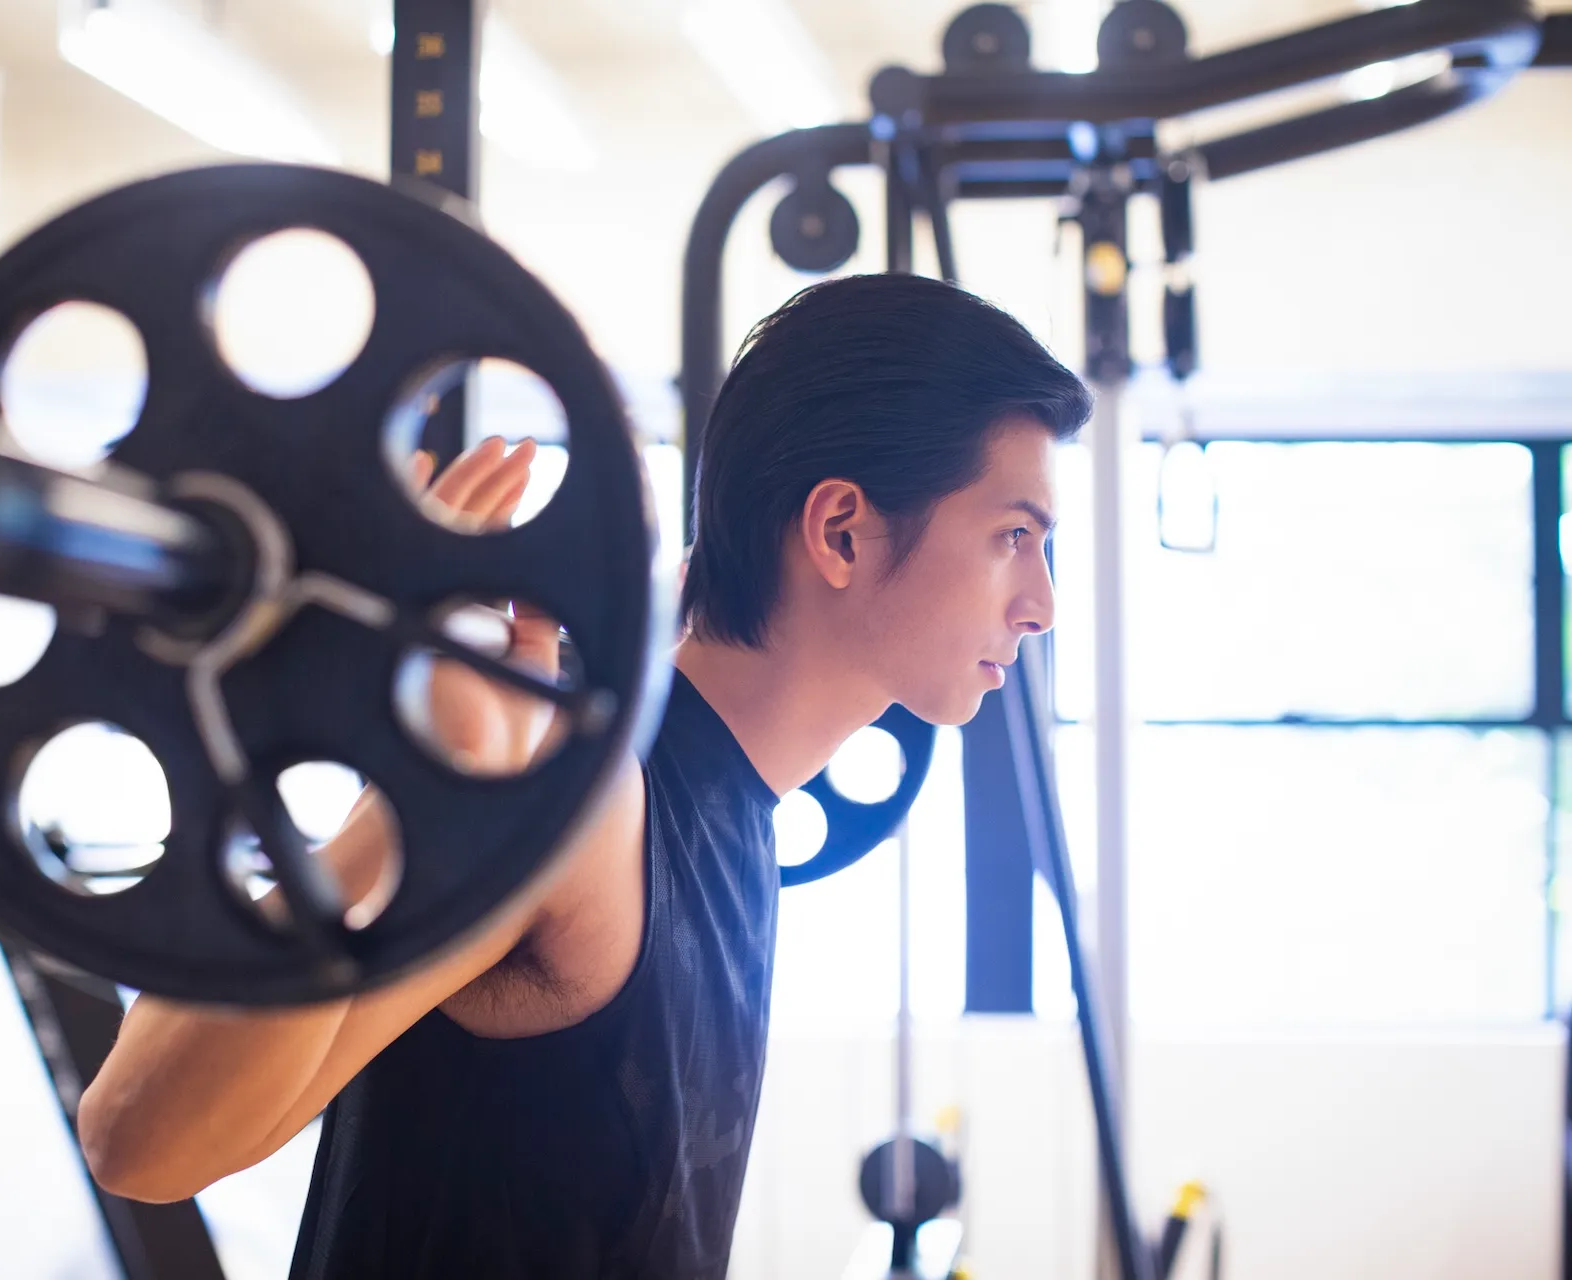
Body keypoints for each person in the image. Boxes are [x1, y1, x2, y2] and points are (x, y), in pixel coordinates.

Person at [76, 272, 1092, 1279]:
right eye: (1014, 537)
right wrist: (438, 774)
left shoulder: (729, 810)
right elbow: (141, 1136)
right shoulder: (587, 789)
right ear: (840, 531)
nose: (1041, 603)